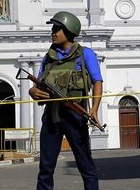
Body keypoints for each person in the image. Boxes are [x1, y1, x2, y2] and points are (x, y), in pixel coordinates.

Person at [29, 11, 103, 190]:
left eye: (57, 29)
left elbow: (97, 81)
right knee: (45, 167)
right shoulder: (48, 58)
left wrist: (94, 108)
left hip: (75, 114)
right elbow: (38, 83)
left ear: (69, 30)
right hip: (51, 117)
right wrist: (33, 91)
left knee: (85, 165)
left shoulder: (85, 55)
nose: (53, 32)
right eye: (53, 29)